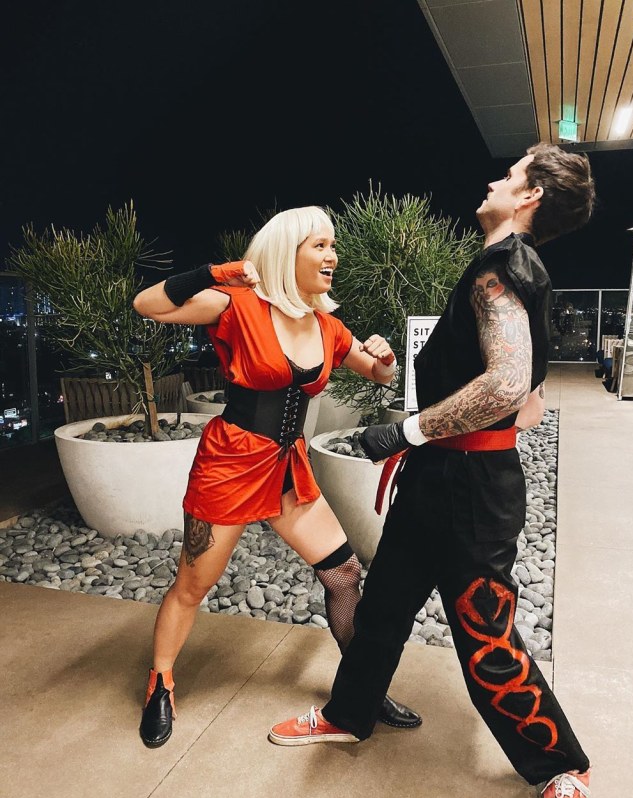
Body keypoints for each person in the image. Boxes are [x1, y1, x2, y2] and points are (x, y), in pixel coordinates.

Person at [269, 145, 596, 798]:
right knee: (384, 606)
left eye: (510, 175)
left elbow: (508, 385)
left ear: (530, 196)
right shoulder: (508, 268)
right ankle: (348, 713)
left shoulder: (503, 269)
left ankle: (561, 766)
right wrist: (437, 441)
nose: (494, 180)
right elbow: (529, 399)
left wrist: (407, 431)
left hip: (472, 489)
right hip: (440, 478)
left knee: (485, 638)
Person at [132, 206, 421, 748]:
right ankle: (160, 683)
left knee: (344, 574)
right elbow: (147, 304)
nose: (333, 255)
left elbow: (379, 374)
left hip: (289, 469)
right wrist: (217, 273)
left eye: (333, 245)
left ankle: (361, 688)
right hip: (230, 465)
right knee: (192, 586)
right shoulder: (237, 305)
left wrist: (383, 355)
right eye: (320, 245)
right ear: (288, 251)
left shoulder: (327, 325)